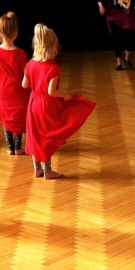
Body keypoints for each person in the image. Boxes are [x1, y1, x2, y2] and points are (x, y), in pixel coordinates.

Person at [22, 23, 96, 180]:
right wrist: (65, 95)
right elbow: (51, 92)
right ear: (53, 47)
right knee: (47, 137)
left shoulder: (31, 63)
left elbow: (24, 84)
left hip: (33, 103)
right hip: (46, 105)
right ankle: (48, 171)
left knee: (35, 136)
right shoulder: (53, 67)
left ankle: (37, 169)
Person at [0, 11, 30, 155]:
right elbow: (27, 73)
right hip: (17, 87)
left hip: (2, 86)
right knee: (17, 115)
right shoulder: (20, 53)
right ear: (16, 33)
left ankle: (10, 147)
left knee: (5, 115)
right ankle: (18, 147)